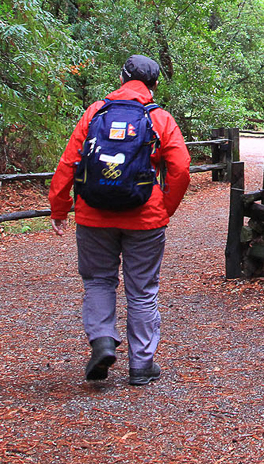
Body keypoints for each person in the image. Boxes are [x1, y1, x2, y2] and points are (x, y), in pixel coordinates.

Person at [49, 55, 191, 385]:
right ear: (154, 85)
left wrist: (58, 208)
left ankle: (101, 340)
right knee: (142, 291)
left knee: (99, 280)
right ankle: (141, 366)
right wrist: (164, 207)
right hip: (145, 218)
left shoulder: (95, 112)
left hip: (93, 215)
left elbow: (70, 161)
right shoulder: (160, 119)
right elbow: (181, 169)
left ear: (121, 77)